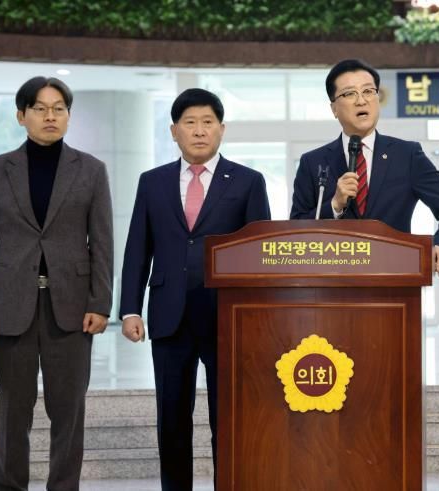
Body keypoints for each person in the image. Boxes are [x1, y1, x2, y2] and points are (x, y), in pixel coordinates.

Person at [119, 88, 271, 490]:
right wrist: (130, 308)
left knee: (228, 418)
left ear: (222, 129)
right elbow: (138, 248)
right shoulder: (152, 182)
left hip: (227, 318)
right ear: (174, 131)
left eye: (207, 122)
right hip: (169, 316)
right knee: (171, 418)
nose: (199, 131)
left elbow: (260, 255)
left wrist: (259, 317)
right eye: (190, 123)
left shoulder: (248, 182)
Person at [0, 76, 114, 490]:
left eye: (59, 108)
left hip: (73, 309)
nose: (50, 116)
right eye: (40, 108)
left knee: (68, 411)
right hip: (9, 307)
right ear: (21, 116)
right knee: (12, 411)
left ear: (68, 116)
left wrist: (100, 303)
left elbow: (102, 243)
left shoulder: (91, 171)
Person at [290, 59, 439, 275]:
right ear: (334, 108)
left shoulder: (407, 155)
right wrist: (334, 205)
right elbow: (294, 231)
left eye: (368, 91)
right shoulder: (313, 162)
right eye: (349, 94)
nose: (361, 100)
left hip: (394, 278)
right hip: (331, 282)